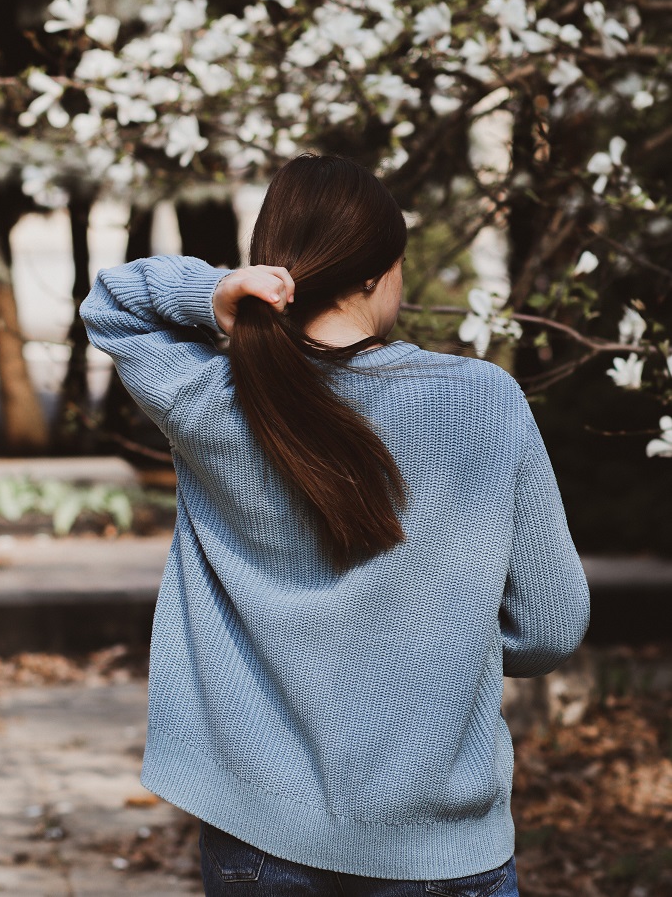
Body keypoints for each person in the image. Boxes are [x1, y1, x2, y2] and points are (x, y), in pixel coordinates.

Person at [80, 152, 590, 897]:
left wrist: (216, 292)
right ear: (375, 273)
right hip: (440, 851)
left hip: (259, 833)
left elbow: (114, 301)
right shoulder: (485, 400)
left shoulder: (211, 398)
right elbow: (551, 623)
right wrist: (449, 641)